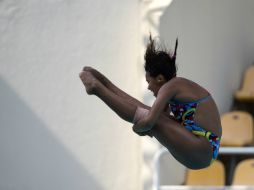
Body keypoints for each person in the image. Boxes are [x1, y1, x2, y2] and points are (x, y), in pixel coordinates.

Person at [79, 35, 222, 169]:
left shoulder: (170, 87)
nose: (148, 87)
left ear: (160, 78)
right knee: (148, 113)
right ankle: (104, 84)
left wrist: (136, 128)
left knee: (148, 117)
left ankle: (97, 89)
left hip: (203, 148)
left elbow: (149, 122)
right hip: (201, 149)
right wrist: (146, 126)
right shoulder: (176, 86)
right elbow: (156, 117)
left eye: (149, 81)